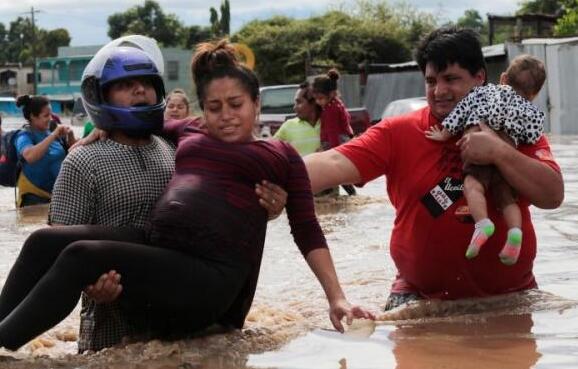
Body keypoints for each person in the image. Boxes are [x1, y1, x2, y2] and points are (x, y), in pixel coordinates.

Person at [0, 38, 371, 351]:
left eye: (237, 105)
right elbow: (138, 113)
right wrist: (100, 125)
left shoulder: (279, 156)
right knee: (43, 240)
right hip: (160, 248)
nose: (226, 115)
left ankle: (3, 342)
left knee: (81, 254)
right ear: (203, 111)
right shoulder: (187, 134)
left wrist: (336, 297)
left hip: (209, 273)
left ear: (257, 105)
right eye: (214, 107)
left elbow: (307, 229)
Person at [49, 35, 285, 353]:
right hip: (112, 332)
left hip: (188, 326)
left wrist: (270, 206)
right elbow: (59, 251)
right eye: (126, 84)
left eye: (146, 83)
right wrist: (91, 287)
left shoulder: (179, 150)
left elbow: (221, 221)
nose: (139, 90)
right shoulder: (82, 161)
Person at [303, 27, 563, 311]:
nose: (439, 91)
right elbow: (334, 162)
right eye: (430, 81)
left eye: (451, 79)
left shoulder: (515, 128)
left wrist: (499, 152)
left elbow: (552, 196)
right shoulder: (398, 131)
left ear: (480, 78)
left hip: (513, 296)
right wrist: (271, 170)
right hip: (418, 299)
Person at [425, 54, 546, 265]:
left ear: (503, 78)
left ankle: (482, 223)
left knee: (472, 186)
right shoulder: (534, 112)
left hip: (478, 147)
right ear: (535, 93)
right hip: (507, 158)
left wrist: (444, 134)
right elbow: (533, 136)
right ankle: (515, 232)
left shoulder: (484, 92)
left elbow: (460, 111)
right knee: (506, 199)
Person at [14, 95, 75, 207]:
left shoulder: (51, 132)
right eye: (46, 115)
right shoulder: (23, 136)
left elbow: (75, 154)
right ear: (33, 116)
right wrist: (53, 135)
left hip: (56, 196)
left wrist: (70, 135)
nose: (50, 119)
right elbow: (30, 156)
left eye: (51, 115)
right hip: (32, 196)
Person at [312, 70, 356, 196]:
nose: (318, 102)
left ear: (331, 93)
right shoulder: (337, 104)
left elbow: (332, 131)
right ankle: (349, 194)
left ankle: (346, 194)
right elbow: (346, 120)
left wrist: (333, 151)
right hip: (340, 140)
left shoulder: (331, 109)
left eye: (320, 98)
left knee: (334, 172)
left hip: (334, 142)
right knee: (336, 174)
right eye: (316, 99)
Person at [273, 81, 321, 157]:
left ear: (313, 102)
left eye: (299, 102)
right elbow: (271, 151)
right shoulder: (288, 126)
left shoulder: (330, 123)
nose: (294, 108)